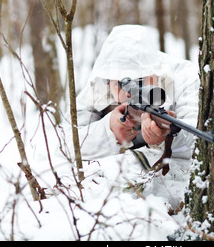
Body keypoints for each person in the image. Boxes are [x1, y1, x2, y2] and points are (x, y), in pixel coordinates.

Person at [65, 24, 200, 169]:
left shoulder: (184, 78)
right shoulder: (101, 84)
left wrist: (167, 137)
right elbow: (66, 143)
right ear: (108, 82)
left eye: (140, 81)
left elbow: (198, 138)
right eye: (120, 83)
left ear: (156, 74)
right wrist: (110, 131)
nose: (129, 93)